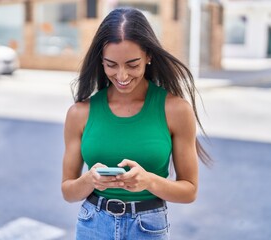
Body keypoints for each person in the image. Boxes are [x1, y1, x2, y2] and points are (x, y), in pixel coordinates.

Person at [62, 7, 211, 240]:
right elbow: (68, 191)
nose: (122, 76)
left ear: (149, 56)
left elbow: (189, 190)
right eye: (111, 65)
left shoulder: (176, 110)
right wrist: (89, 180)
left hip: (148, 227)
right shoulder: (79, 113)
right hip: (92, 225)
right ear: (101, 61)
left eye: (132, 64)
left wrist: (148, 180)